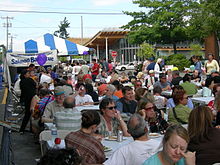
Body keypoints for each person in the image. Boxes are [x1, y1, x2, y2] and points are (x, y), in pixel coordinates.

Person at [19, 70, 37, 134]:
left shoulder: (21, 81)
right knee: (33, 113)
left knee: (27, 114)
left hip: (26, 98)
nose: (29, 74)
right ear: (25, 75)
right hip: (32, 98)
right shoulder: (30, 80)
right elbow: (35, 86)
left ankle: (22, 129)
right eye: (28, 73)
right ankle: (32, 129)